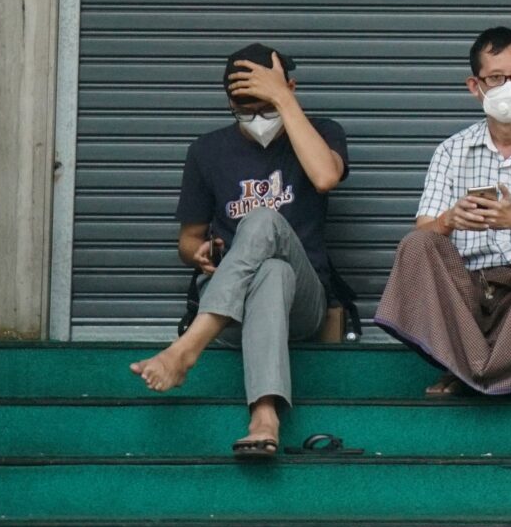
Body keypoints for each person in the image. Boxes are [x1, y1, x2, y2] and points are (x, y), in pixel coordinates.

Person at [130, 44, 349, 455]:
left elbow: (324, 177)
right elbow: (188, 239)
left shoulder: (323, 132)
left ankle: (186, 350)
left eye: (264, 107)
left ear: (290, 89)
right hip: (232, 311)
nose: (256, 119)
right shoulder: (207, 151)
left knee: (265, 221)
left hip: (304, 306)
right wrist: (196, 252)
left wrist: (283, 100)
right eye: (243, 109)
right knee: (271, 272)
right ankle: (264, 416)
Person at [375, 26, 511, 396]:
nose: (510, 87)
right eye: (496, 78)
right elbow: (425, 226)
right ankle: (465, 364)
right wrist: (449, 220)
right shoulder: (451, 150)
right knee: (417, 245)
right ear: (475, 87)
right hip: (468, 288)